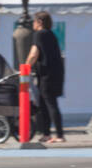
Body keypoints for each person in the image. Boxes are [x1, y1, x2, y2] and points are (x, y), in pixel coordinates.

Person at [26, 11, 65, 143]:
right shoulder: (51, 35)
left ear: (40, 22)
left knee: (50, 104)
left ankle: (59, 135)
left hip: (46, 75)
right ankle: (46, 133)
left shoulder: (39, 34)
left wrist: (25, 68)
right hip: (55, 73)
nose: (33, 23)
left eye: (34, 21)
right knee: (44, 104)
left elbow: (33, 54)